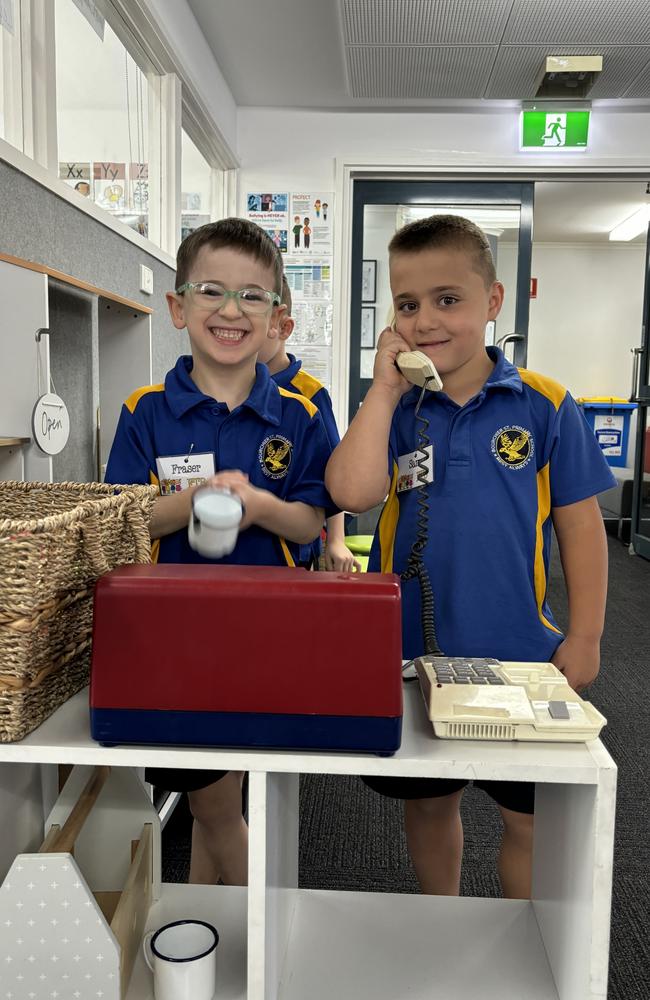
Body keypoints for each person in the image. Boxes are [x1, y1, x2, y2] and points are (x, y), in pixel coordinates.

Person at [326, 214, 615, 899]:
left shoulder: (544, 403)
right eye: (407, 304)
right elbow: (350, 489)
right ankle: (442, 916)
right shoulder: (395, 409)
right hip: (413, 652)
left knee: (531, 817)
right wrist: (387, 389)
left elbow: (580, 526)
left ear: (492, 302)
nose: (425, 320)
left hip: (521, 654)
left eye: (447, 299)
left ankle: (521, 935)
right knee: (430, 802)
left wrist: (587, 633)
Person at [105, 218, 335, 887]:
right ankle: (245, 930)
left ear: (275, 318)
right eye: (211, 291)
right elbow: (129, 517)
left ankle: (239, 934)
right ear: (178, 307)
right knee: (212, 801)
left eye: (252, 296)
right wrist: (198, 497)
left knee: (223, 797)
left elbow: (306, 527)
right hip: (174, 639)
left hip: (272, 635)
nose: (231, 311)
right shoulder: (145, 410)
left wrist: (258, 505)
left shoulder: (300, 416)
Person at [258, 276, 360, 572]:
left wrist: (336, 541)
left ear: (282, 327)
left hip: (297, 553)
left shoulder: (309, 394)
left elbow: (332, 470)